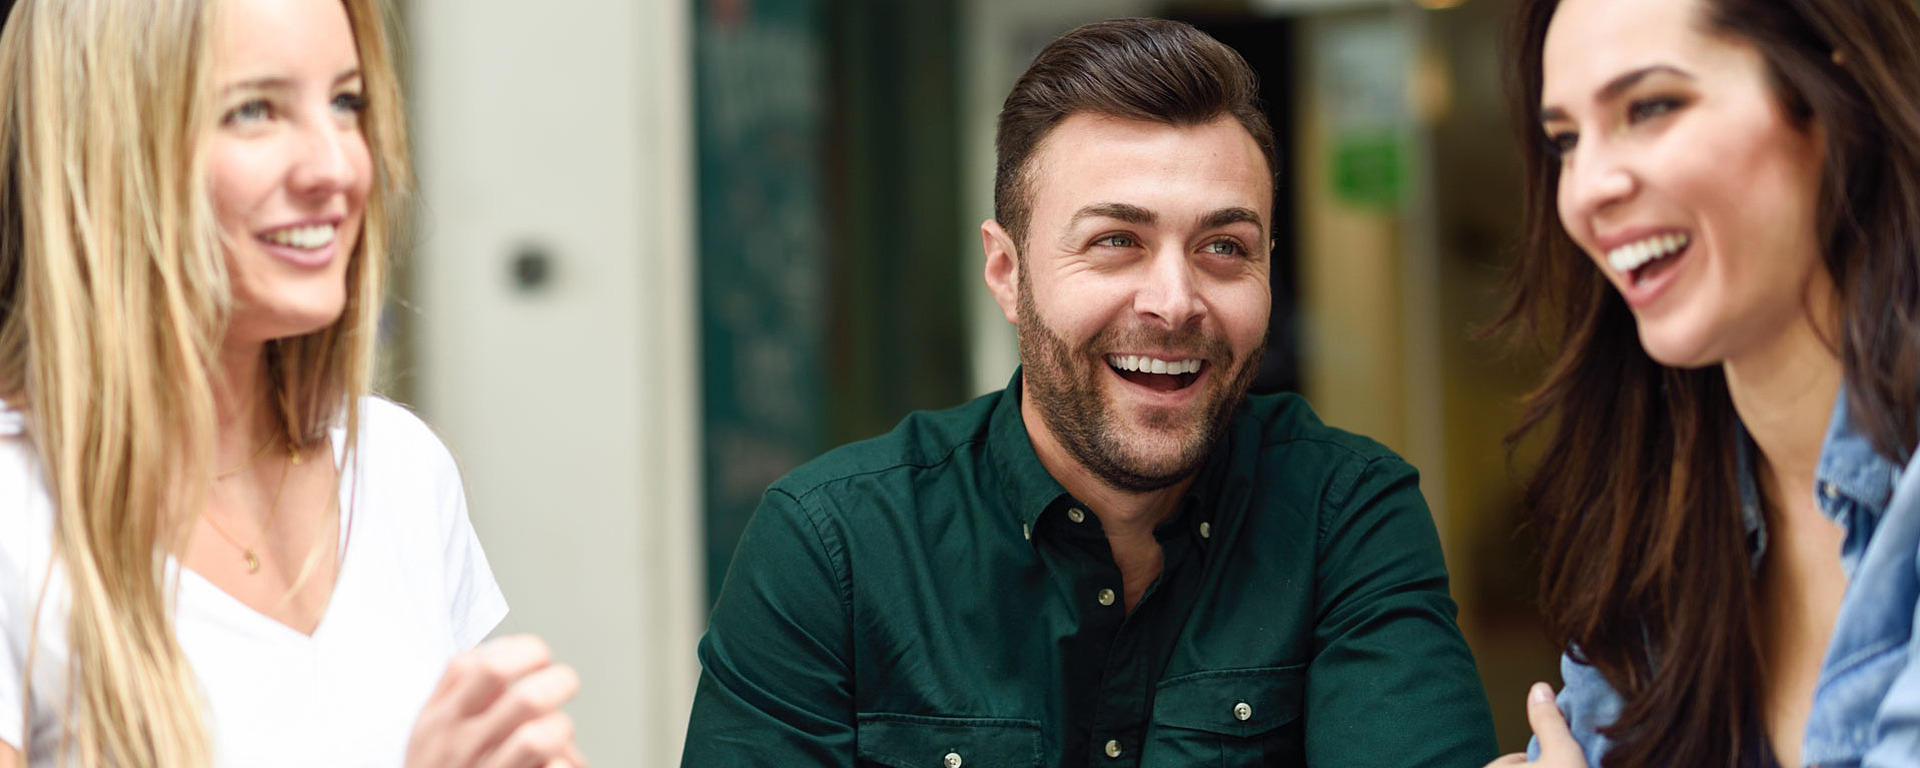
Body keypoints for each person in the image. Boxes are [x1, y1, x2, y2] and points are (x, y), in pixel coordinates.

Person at [683, 17, 1497, 767]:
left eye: (1224, 245)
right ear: (1007, 273)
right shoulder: (836, 547)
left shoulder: (1343, 514)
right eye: (1116, 242)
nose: (1175, 302)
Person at [0, 0, 583, 765]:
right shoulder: (18, 508)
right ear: (106, 148)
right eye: (254, 111)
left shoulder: (402, 469)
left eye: (347, 102)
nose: (336, 167)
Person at [1491, 0, 1920, 765]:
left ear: (1834, 105)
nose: (1587, 187)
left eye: (1651, 106)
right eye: (1565, 140)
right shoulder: (1653, 513)